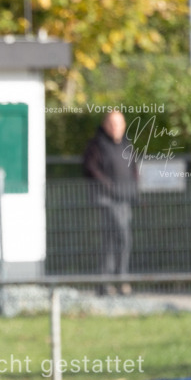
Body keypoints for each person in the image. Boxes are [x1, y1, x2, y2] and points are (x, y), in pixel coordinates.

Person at [81, 111, 138, 296]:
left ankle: (113, 282)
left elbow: (133, 169)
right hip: (107, 200)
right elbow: (91, 168)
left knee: (117, 240)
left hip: (124, 200)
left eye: (119, 124)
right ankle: (111, 282)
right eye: (113, 124)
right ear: (105, 125)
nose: (116, 128)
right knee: (120, 237)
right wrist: (110, 187)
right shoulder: (97, 145)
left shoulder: (126, 145)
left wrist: (134, 191)